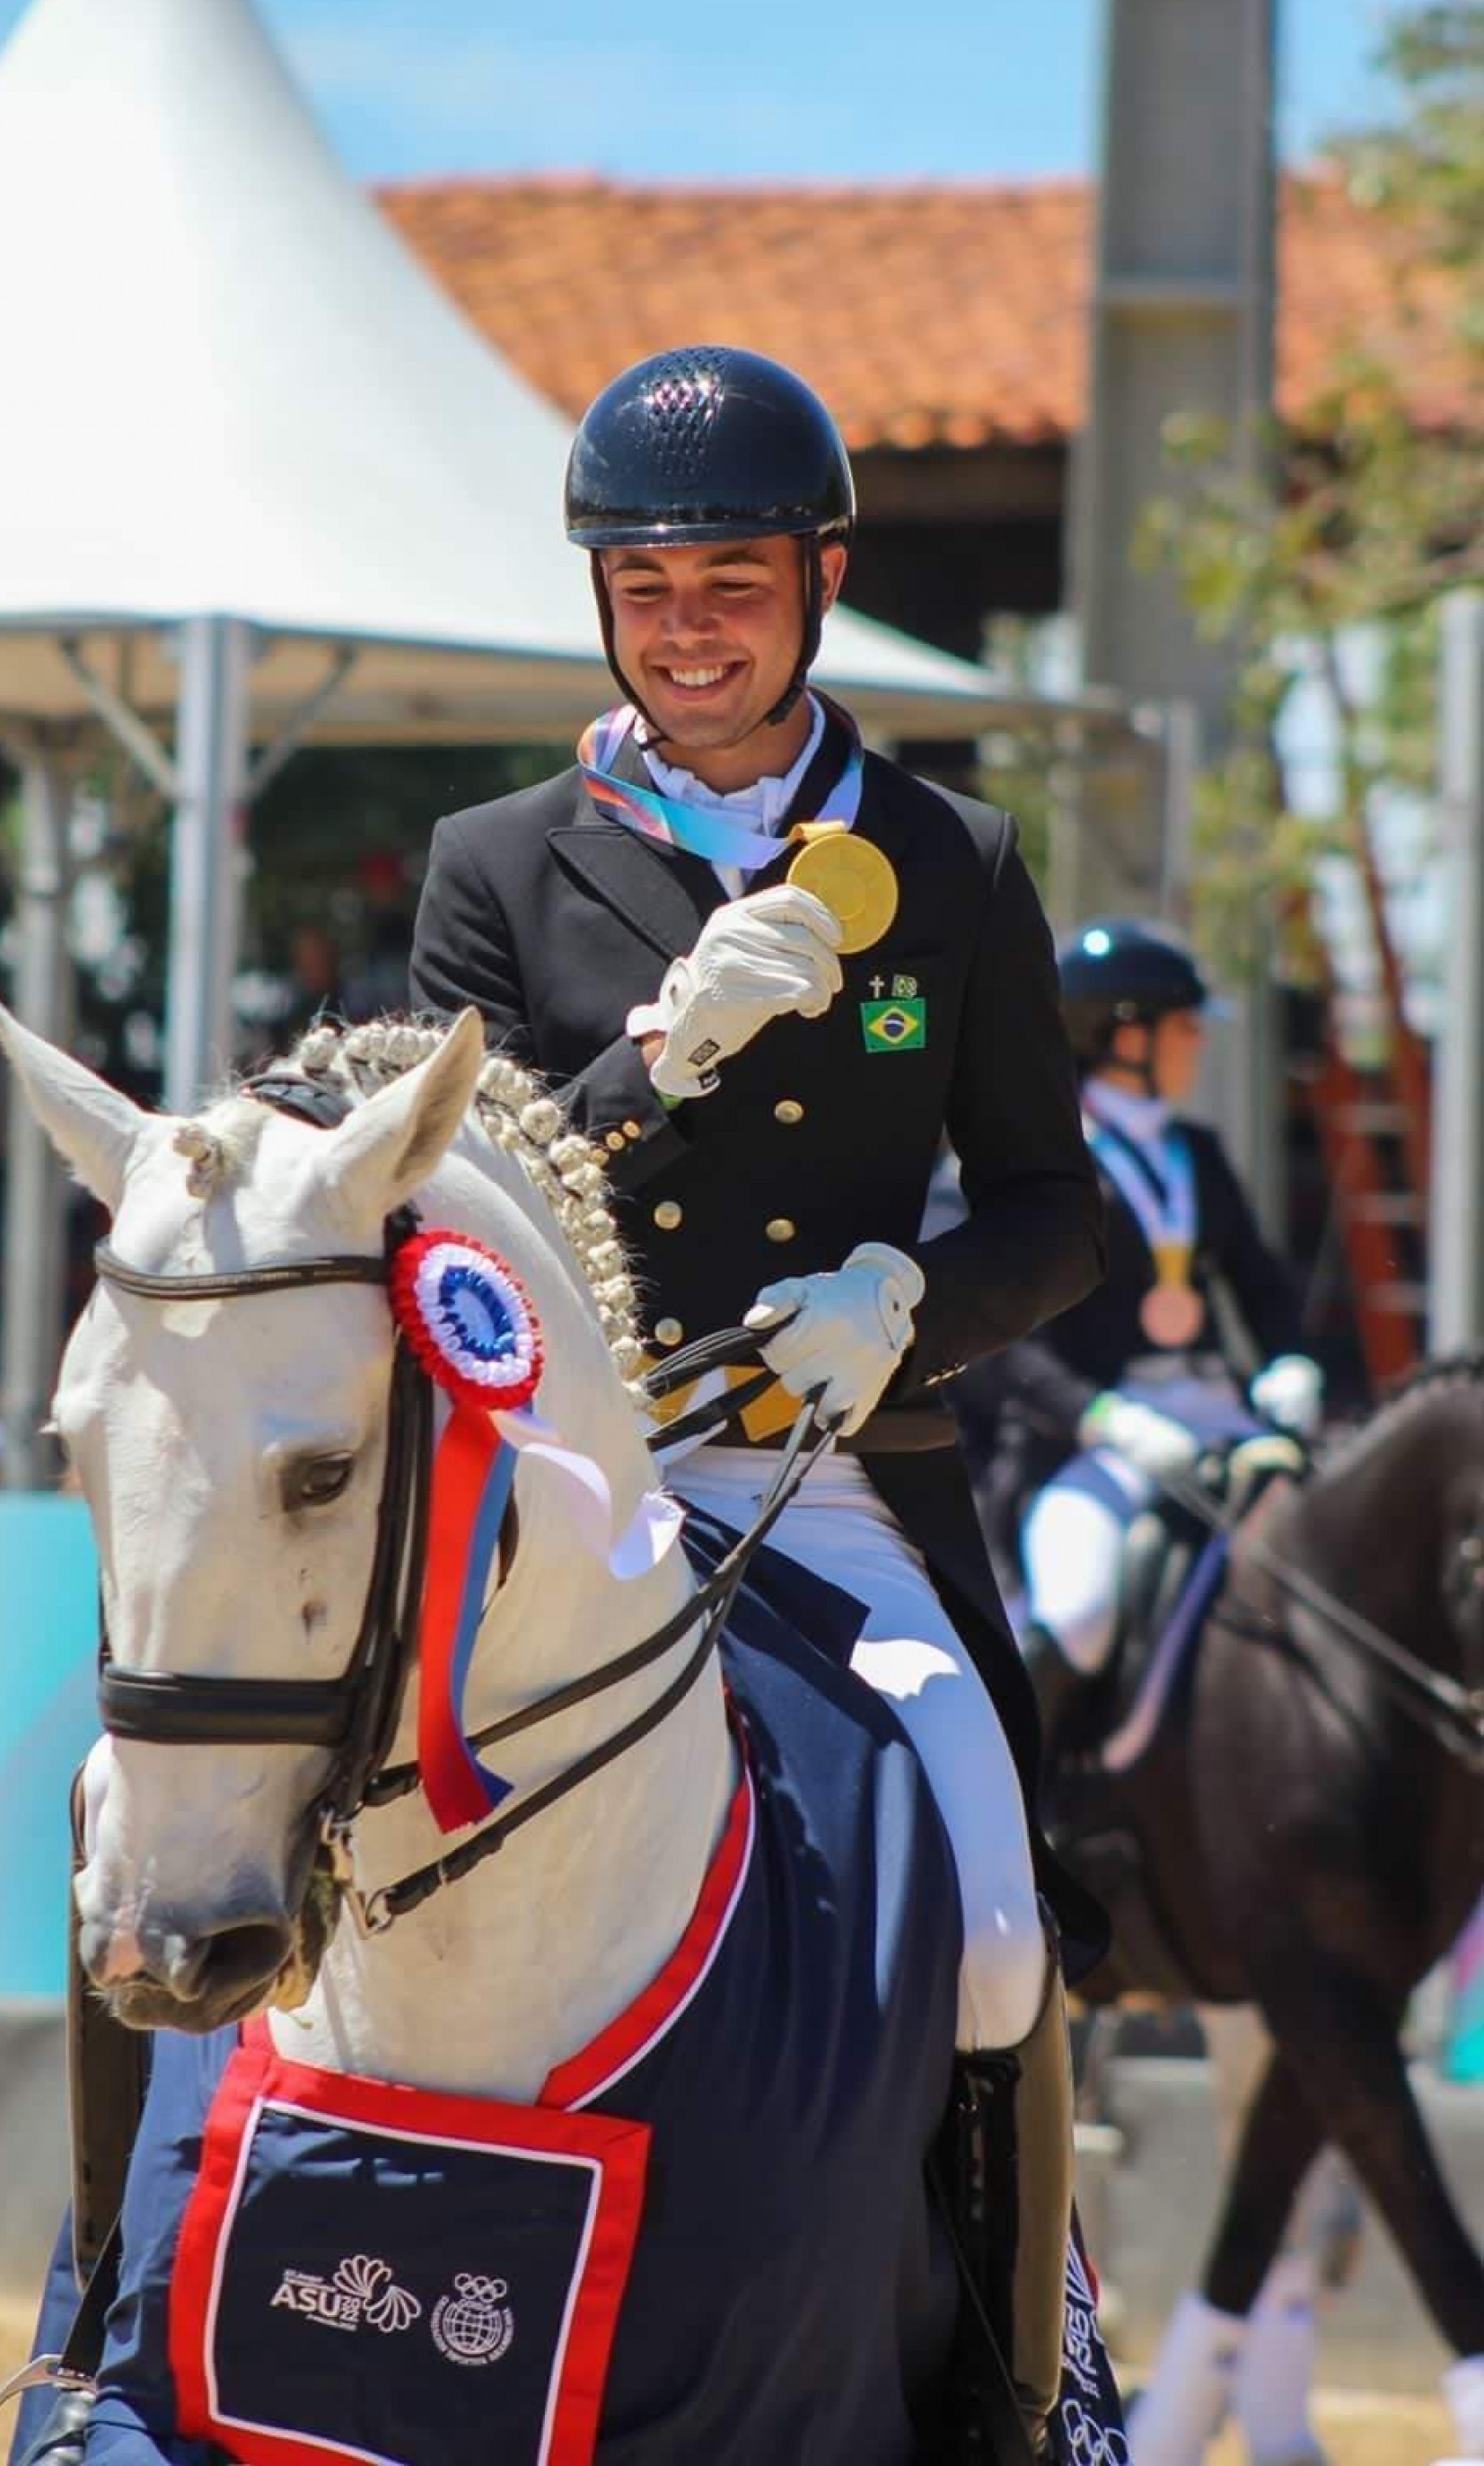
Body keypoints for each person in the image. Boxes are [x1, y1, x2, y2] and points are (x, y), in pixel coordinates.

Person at [410, 344, 1108, 2447]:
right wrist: (658, 1058)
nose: (686, 624)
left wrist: (907, 1308)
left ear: (819, 579)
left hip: (829, 1476)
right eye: (644, 586)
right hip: (574, 1470)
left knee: (994, 1924)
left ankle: (1022, 2383)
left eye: (730, 580)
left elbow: (1056, 1212)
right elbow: (449, 1205)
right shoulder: (494, 861)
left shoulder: (952, 857)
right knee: (236, 1803)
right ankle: (125, 2295)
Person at [1005, 920, 1324, 1756]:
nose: (1198, 1046)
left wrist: (1289, 1360)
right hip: (1095, 1440)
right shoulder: (1043, 1161)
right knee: (1079, 1611)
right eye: (1185, 1028)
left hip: (1216, 1411)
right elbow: (1006, 1343)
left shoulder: (1198, 1153)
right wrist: (1100, 1417)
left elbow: (1257, 1282)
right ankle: (1036, 1799)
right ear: (1124, 1035)